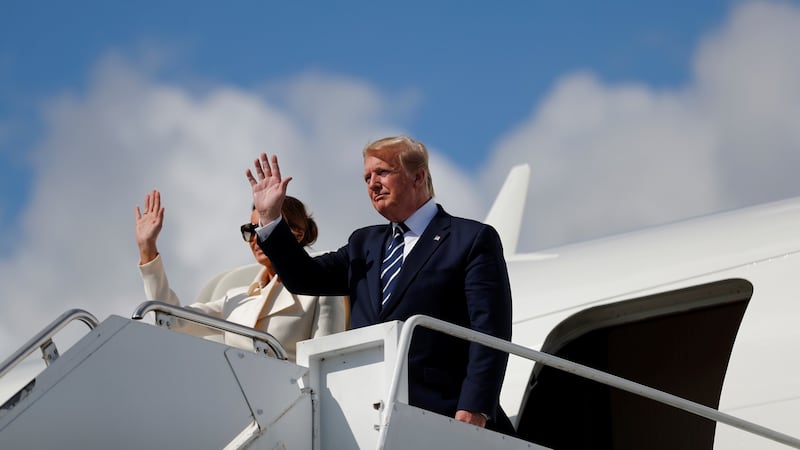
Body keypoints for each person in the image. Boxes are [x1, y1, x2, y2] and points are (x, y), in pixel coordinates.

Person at [245, 136, 514, 434]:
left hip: (443, 413)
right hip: (366, 415)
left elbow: (490, 331)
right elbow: (304, 277)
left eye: (382, 172)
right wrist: (270, 219)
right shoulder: (365, 243)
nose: (372, 184)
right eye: (367, 177)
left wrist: (474, 407)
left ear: (418, 176)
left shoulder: (471, 239)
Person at [134, 189, 346, 361]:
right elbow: (170, 319)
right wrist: (147, 248)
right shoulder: (235, 299)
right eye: (250, 230)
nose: (256, 238)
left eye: (263, 228)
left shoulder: (322, 290)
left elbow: (325, 363)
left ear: (297, 234)